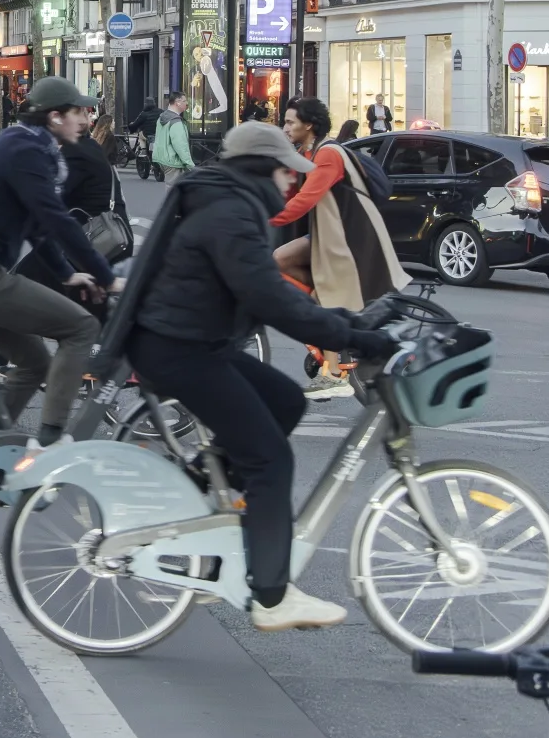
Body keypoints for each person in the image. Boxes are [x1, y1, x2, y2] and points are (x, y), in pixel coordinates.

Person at [121, 121, 400, 632]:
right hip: (180, 349)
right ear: (260, 168)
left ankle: (203, 511)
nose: (291, 182)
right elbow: (267, 298)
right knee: (271, 460)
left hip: (194, 341)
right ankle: (272, 595)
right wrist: (353, 336)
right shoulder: (231, 212)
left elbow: (268, 287)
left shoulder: (231, 202)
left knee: (286, 402)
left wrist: (347, 325)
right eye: (283, 171)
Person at [0, 75, 117, 447]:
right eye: (79, 112)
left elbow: (36, 226)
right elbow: (55, 219)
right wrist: (105, 277)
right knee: (80, 328)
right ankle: (51, 439)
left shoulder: (29, 147)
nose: (86, 119)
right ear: (55, 117)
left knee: (34, 364)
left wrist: (67, 274)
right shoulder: (26, 151)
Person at [272, 96, 409, 399]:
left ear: (309, 125)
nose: (285, 127)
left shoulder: (329, 155)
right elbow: (288, 192)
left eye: (290, 122)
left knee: (329, 294)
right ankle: (324, 322)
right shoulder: (309, 152)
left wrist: (265, 220)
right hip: (330, 236)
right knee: (279, 259)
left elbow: (305, 200)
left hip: (349, 239)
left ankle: (333, 373)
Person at [152, 91, 194, 183]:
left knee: (174, 188)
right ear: (178, 102)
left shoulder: (161, 118)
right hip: (173, 161)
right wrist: (189, 164)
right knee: (174, 189)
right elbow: (180, 144)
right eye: (184, 101)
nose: (186, 103)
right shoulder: (176, 122)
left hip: (163, 158)